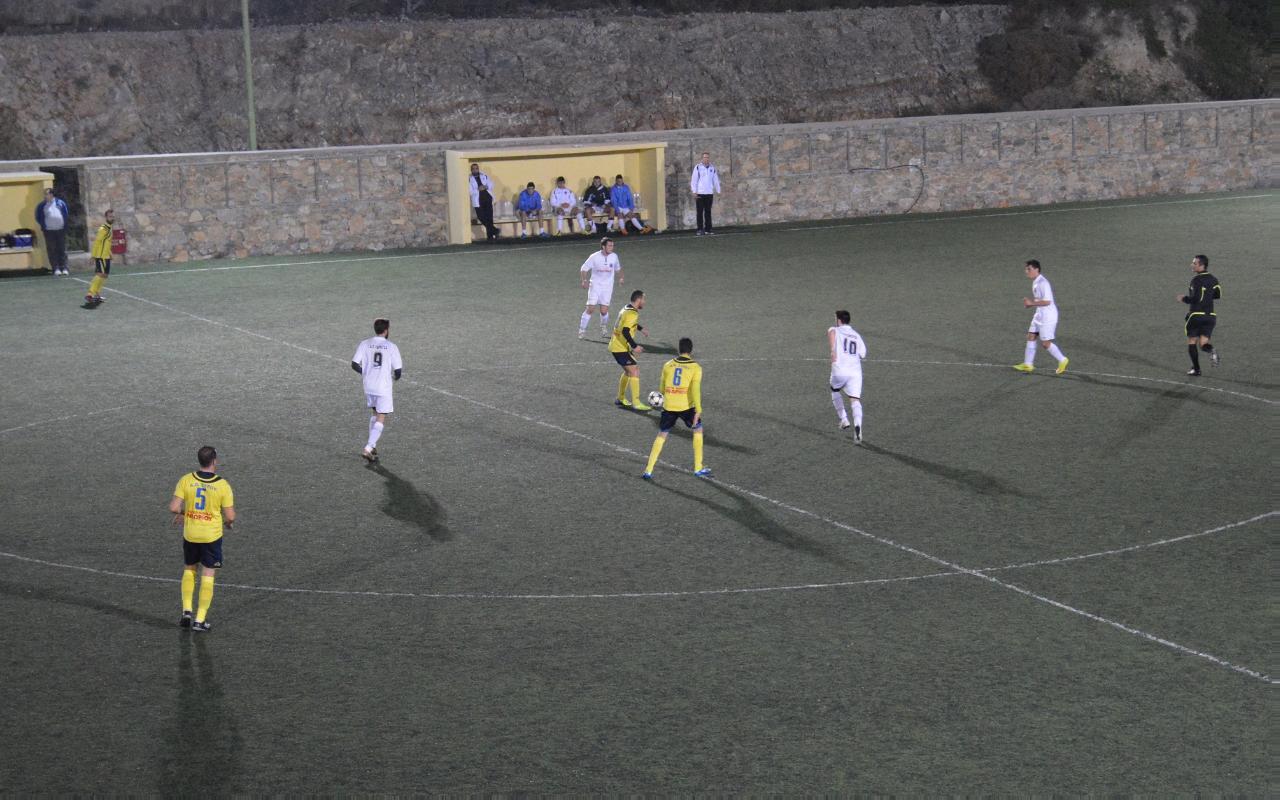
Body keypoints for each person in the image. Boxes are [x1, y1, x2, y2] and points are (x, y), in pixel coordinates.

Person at [169, 445, 236, 632]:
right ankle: (199, 620)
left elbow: (173, 507)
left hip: (191, 534)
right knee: (208, 574)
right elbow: (230, 516)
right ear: (214, 461)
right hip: (210, 537)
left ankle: (186, 612)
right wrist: (228, 523)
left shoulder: (186, 480)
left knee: (190, 569)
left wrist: (185, 512)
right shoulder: (222, 485)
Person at [643, 337, 710, 479]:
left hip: (669, 405)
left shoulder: (668, 365)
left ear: (679, 349)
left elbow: (662, 386)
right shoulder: (695, 367)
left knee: (662, 435)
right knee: (698, 429)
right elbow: (695, 390)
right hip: (686, 407)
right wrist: (698, 409)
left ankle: (648, 470)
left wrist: (661, 401)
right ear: (690, 350)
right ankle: (698, 467)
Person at [351, 318, 404, 463]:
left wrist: (365, 373)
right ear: (386, 331)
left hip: (369, 386)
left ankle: (373, 446)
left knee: (375, 413)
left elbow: (354, 364)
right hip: (383, 387)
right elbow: (398, 371)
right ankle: (368, 448)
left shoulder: (365, 343)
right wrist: (396, 377)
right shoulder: (391, 346)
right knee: (381, 416)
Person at [1013, 259, 1068, 375]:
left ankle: (1062, 360)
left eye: (1029, 269)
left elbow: (1047, 302)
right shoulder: (1036, 281)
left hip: (1048, 317)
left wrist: (1031, 303)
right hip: (1039, 315)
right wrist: (1031, 304)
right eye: (1026, 269)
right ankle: (1028, 364)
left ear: (1036, 269)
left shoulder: (1043, 283)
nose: (1026, 271)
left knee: (1045, 343)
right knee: (1031, 336)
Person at [1177, 254, 1221, 376]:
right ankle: (1211, 350)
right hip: (1210, 316)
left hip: (1196, 315)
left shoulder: (1196, 280)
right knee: (1203, 344)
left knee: (1192, 341)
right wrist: (1207, 297)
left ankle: (1196, 369)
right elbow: (1217, 295)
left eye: (1194, 263)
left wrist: (1184, 298)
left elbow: (1196, 298)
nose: (1192, 265)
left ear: (1202, 265)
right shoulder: (1213, 279)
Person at [828, 310, 868, 443]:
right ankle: (858, 427)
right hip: (855, 372)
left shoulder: (835, 330)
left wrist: (833, 351)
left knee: (834, 389)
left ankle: (844, 419)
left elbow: (831, 333)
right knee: (855, 399)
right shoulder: (856, 335)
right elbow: (863, 354)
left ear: (839, 320)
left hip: (840, 368)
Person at [609, 289, 651, 410]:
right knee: (634, 371)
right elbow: (625, 331)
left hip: (616, 345)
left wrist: (641, 329)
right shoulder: (633, 314)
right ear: (638, 300)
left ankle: (620, 398)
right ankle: (636, 402)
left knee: (629, 371)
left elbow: (628, 324)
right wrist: (635, 346)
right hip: (620, 347)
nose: (644, 301)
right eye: (643, 299)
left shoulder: (626, 309)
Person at [578, 237, 623, 339]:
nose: (612, 247)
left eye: (612, 245)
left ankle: (603, 326)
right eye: (609, 245)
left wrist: (621, 277)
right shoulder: (594, 257)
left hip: (608, 287)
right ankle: (582, 330)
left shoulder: (614, 256)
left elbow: (618, 268)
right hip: (595, 285)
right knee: (590, 309)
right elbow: (583, 269)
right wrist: (584, 280)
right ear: (603, 246)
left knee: (604, 311)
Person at [36, 187, 70, 275]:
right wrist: (44, 225)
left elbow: (66, 214)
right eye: (45, 194)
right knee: (52, 249)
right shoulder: (42, 205)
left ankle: (64, 268)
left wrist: (64, 225)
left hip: (61, 230)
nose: (45, 196)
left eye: (47, 194)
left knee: (62, 249)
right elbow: (38, 217)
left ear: (51, 194)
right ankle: (56, 268)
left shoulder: (60, 203)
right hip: (49, 231)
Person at [84, 209, 114, 306]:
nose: (112, 218)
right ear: (106, 217)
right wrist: (93, 256)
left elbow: (106, 242)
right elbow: (97, 243)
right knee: (100, 274)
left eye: (113, 216)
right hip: (101, 257)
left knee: (104, 275)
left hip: (106, 256)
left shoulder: (109, 228)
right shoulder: (103, 229)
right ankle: (89, 294)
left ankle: (97, 294)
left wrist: (110, 253)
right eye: (110, 216)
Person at [690, 151, 722, 236]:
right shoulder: (698, 167)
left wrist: (718, 191)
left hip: (709, 193)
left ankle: (708, 229)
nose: (706, 159)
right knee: (699, 212)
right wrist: (694, 191)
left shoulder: (712, 168)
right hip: (700, 193)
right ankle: (700, 229)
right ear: (702, 158)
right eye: (704, 157)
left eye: (707, 157)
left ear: (709, 158)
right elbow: (694, 180)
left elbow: (715, 180)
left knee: (708, 212)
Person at [468, 163, 500, 241]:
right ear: (471, 170)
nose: (475, 170)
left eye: (476, 168)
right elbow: (470, 191)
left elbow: (491, 184)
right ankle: (495, 230)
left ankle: (490, 237)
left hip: (487, 198)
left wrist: (486, 186)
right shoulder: (469, 179)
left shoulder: (484, 176)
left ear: (478, 169)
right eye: (473, 169)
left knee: (489, 217)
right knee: (481, 217)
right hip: (478, 200)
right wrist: (478, 189)